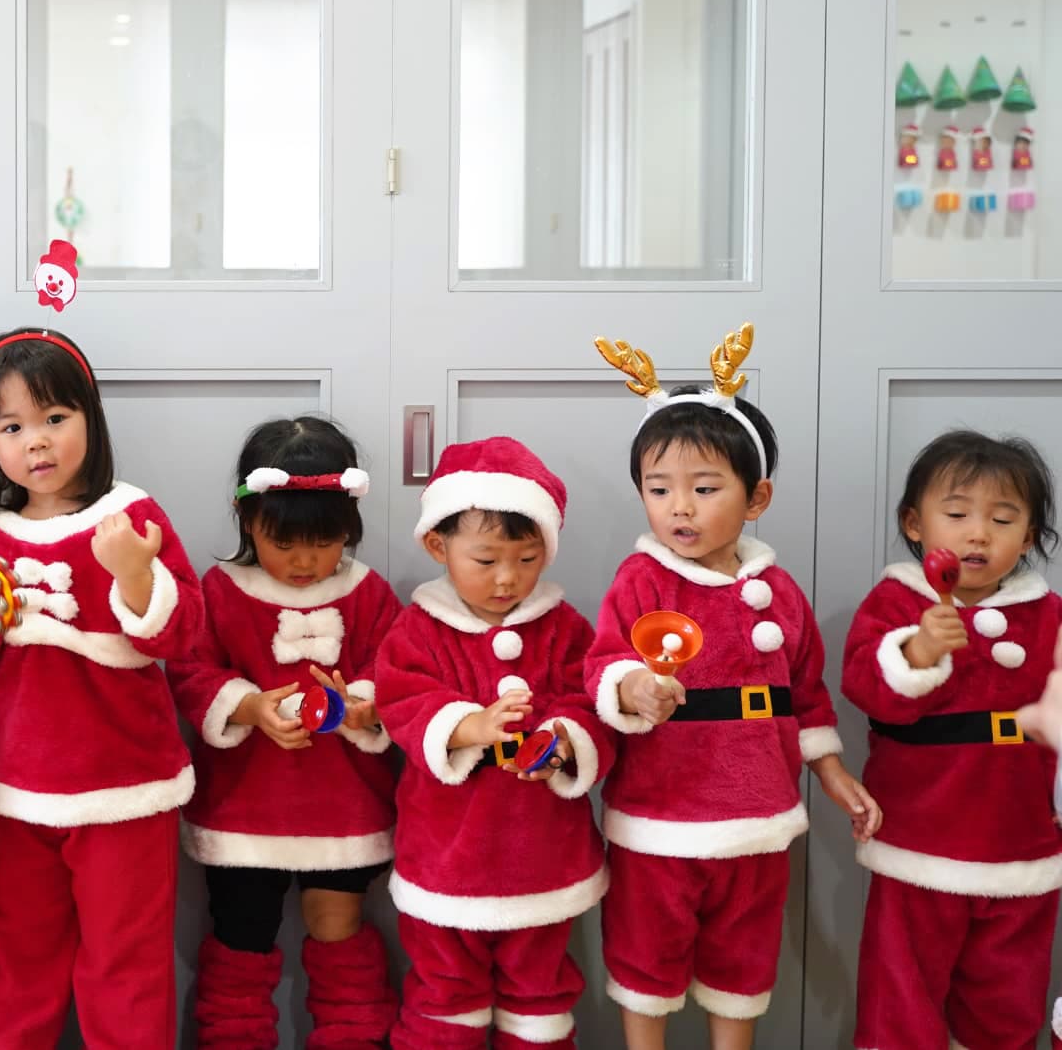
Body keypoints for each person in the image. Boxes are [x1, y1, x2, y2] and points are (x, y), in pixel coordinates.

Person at [586, 325, 878, 1050]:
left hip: (758, 814)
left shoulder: (779, 589)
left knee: (743, 956)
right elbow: (603, 663)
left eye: (704, 488)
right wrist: (633, 689)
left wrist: (833, 772)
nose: (679, 507)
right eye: (659, 489)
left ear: (757, 497)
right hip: (661, 814)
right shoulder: (641, 579)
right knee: (646, 954)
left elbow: (806, 693)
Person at [0, 327, 204, 1049]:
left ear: (91, 417)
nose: (38, 441)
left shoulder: (132, 516)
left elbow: (183, 634)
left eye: (56, 417)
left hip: (126, 784)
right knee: (21, 948)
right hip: (22, 784)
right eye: (12, 426)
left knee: (126, 960)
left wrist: (135, 572)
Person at [167, 416, 400, 1050]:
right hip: (244, 812)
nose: (304, 561)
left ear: (349, 527)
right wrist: (247, 707)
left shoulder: (369, 594)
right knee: (240, 941)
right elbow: (190, 671)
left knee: (339, 932)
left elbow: (399, 674)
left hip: (344, 810)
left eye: (323, 543)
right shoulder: (221, 591)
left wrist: (363, 707)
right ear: (248, 521)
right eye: (284, 542)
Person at [376, 437, 612, 1050]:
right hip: (446, 855)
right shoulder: (418, 629)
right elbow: (400, 700)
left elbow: (590, 700)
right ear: (439, 547)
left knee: (541, 995)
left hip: (543, 856)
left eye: (528, 559)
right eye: (485, 560)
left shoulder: (565, 628)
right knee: (444, 995)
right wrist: (469, 726)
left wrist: (564, 741)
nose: (508, 578)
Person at [841, 430, 1062, 1050]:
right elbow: (864, 687)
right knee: (900, 998)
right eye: (958, 515)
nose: (979, 535)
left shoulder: (1050, 615)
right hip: (920, 843)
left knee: (1008, 1003)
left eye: (1003, 520)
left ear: (1029, 535)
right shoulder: (895, 602)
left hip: (1024, 848)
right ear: (915, 523)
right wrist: (917, 650)